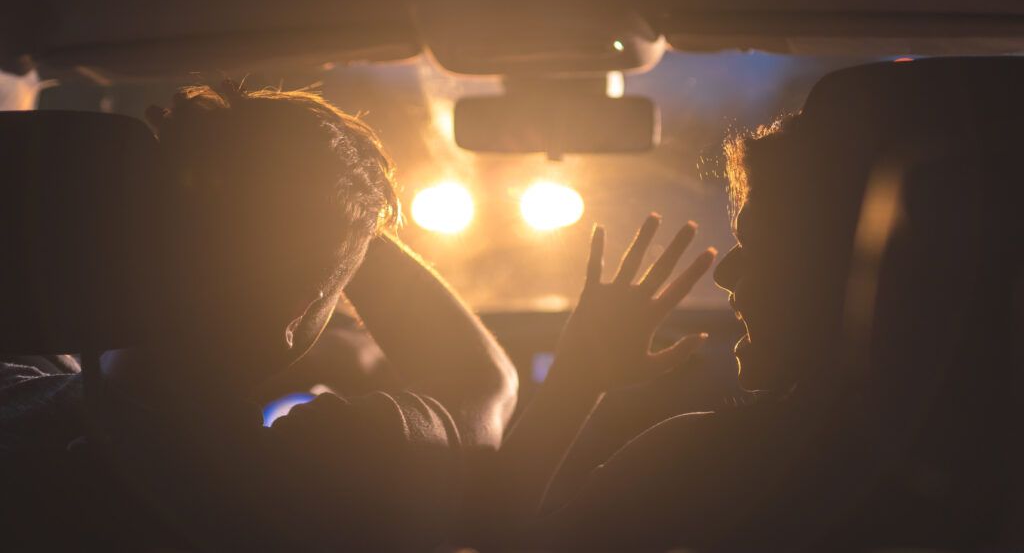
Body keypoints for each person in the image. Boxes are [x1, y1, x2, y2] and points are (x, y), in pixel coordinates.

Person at [485, 57, 1022, 550]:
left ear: (855, 267)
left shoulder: (705, 466)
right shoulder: (992, 471)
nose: (725, 272)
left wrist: (577, 379)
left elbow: (491, 542)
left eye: (761, 242)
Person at [0, 81, 518, 551]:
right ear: (295, 312)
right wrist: (341, 220)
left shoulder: (17, 415)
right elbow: (483, 382)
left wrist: (200, 177)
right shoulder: (316, 486)